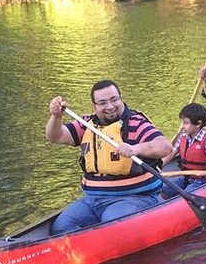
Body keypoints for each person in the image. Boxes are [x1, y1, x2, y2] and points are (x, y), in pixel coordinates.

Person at [45, 79, 174, 234]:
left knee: (112, 225)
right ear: (94, 106)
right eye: (103, 103)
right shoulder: (86, 123)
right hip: (93, 200)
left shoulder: (135, 122)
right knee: (61, 227)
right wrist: (55, 116)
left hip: (135, 197)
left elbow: (165, 147)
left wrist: (135, 149)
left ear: (121, 99)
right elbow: (55, 136)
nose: (110, 106)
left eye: (114, 100)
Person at [161, 102, 206, 194]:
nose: (182, 126)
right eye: (182, 122)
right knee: (165, 192)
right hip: (187, 176)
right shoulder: (183, 137)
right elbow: (172, 153)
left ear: (198, 124)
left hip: (203, 179)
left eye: (185, 123)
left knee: (187, 195)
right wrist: (159, 165)